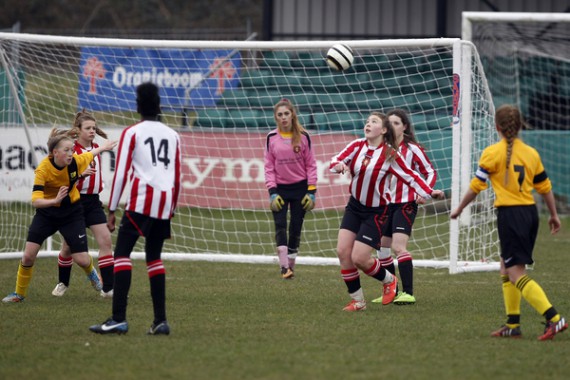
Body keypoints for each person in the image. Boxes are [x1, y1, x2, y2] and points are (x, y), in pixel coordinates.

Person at [450, 105, 567, 341]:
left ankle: (555, 318)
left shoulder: (493, 152)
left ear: (497, 127)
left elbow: (476, 187)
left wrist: (460, 208)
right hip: (529, 214)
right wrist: (553, 215)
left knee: (515, 273)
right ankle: (513, 324)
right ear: (521, 126)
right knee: (506, 267)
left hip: (511, 216)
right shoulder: (531, 153)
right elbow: (545, 187)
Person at [89, 82, 181, 335]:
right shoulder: (173, 135)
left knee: (122, 254)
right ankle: (160, 321)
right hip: (164, 203)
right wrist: (170, 209)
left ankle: (118, 318)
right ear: (159, 104)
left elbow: (121, 174)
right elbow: (177, 177)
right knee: (154, 258)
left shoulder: (133, 132)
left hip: (142, 200)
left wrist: (111, 209)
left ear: (138, 105)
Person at [330, 112, 444, 311]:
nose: (368, 124)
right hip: (354, 207)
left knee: (360, 258)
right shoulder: (357, 145)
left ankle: (389, 280)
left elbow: (411, 176)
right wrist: (338, 165)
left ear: (383, 130)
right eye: (367, 121)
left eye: (373, 122)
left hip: (376, 212)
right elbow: (335, 160)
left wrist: (429, 192)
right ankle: (358, 301)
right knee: (342, 252)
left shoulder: (390, 154)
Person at [2, 128, 117, 303]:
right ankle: (19, 294)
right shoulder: (43, 169)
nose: (71, 153)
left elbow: (92, 152)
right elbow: (36, 201)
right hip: (46, 214)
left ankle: (92, 273)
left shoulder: (75, 162)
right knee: (28, 256)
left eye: (72, 149)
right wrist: (54, 200)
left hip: (72, 213)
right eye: (67, 150)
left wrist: (104, 147)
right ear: (55, 152)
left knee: (82, 259)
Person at [371, 109, 437, 305]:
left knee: (398, 247)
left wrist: (423, 192)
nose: (392, 126)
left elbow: (430, 171)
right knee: (382, 250)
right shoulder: (382, 148)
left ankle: (408, 292)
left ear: (405, 127)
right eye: (389, 123)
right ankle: (392, 291)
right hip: (385, 204)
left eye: (397, 123)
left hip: (406, 203)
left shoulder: (413, 149)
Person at [51, 109, 114, 298]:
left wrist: (99, 184)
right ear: (78, 130)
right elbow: (63, 179)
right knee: (68, 248)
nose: (92, 131)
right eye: (88, 128)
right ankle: (63, 283)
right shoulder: (72, 151)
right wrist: (79, 175)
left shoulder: (95, 149)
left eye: (94, 128)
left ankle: (108, 289)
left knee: (106, 241)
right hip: (74, 202)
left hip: (94, 203)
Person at [264, 98, 317, 279]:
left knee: (295, 227)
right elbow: (269, 166)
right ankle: (284, 267)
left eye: (286, 113)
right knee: (280, 226)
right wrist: (272, 192)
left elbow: (311, 165)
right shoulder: (271, 138)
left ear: (292, 115)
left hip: (300, 189)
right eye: (280, 114)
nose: (283, 117)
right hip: (280, 189)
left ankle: (291, 265)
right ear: (275, 117)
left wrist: (311, 192)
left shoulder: (303, 137)